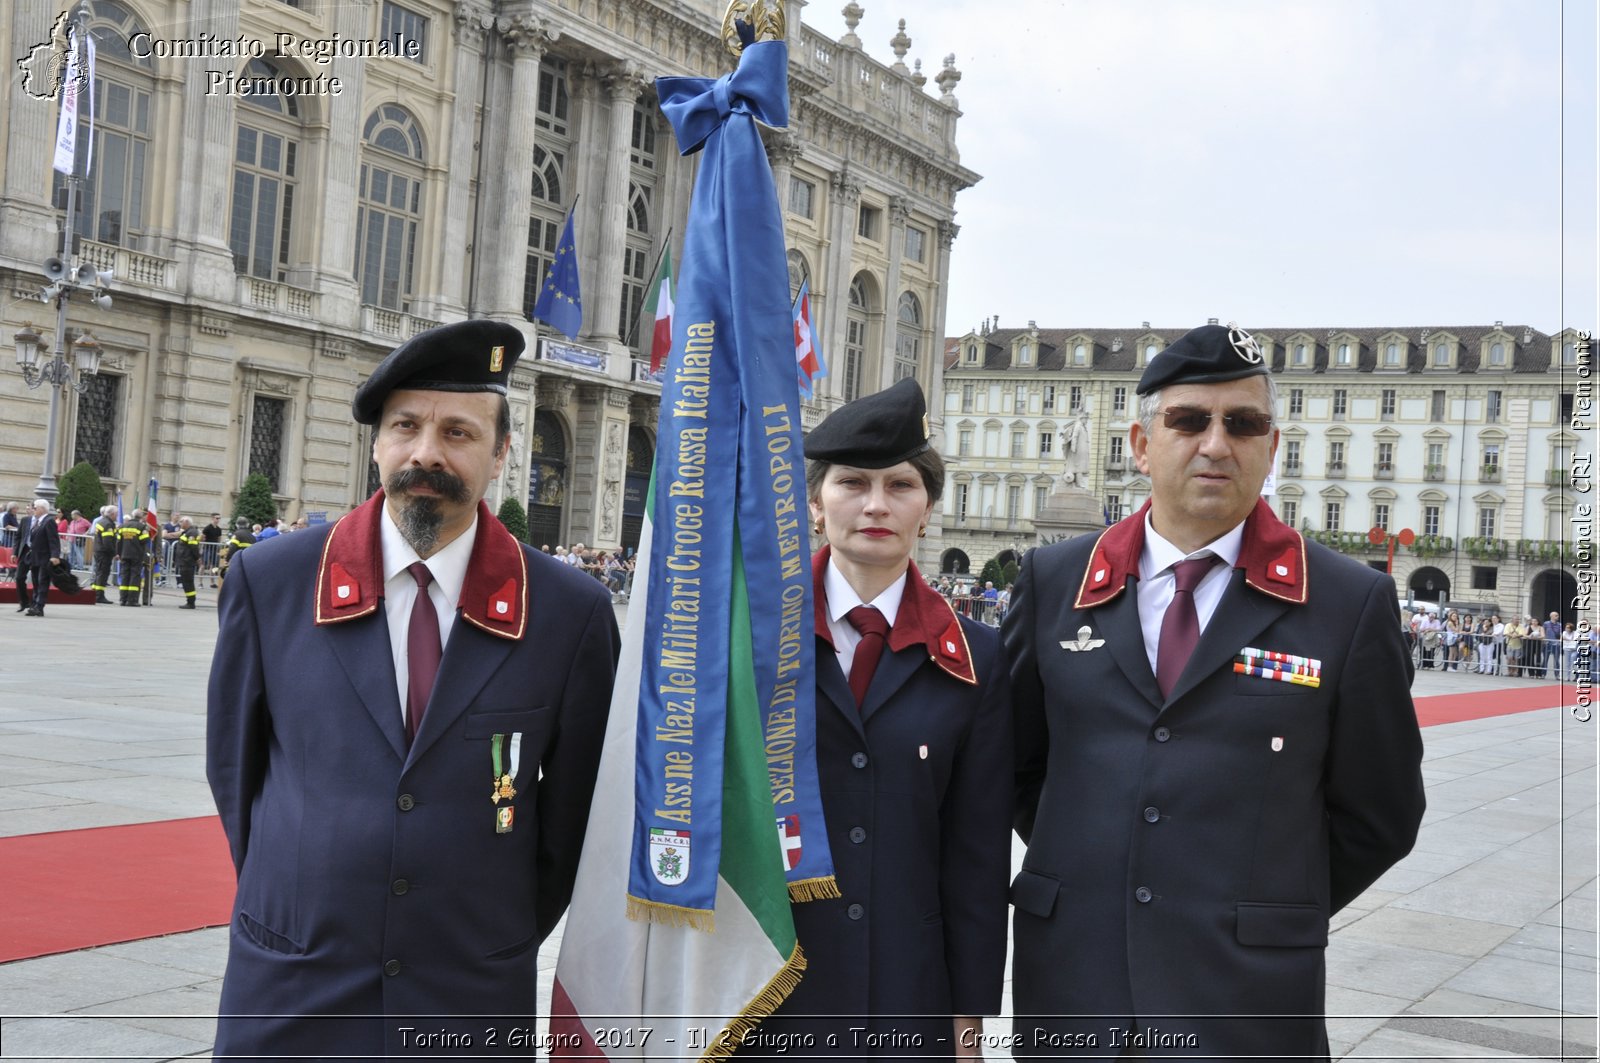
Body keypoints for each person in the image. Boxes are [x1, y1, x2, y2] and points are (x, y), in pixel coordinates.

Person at [1003, 323, 1425, 1059]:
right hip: (1077, 983)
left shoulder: (1347, 602)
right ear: (1139, 443)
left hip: (1247, 999)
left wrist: (1265, 900)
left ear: (1272, 444)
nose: (1216, 443)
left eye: (1242, 423)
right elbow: (1015, 768)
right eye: (1189, 420)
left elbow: (1381, 812)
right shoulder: (1053, 583)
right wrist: (1105, 862)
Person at [206, 319, 619, 1057]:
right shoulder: (271, 584)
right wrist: (309, 891)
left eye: (459, 432)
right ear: (376, 444)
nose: (427, 451)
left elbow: (571, 818)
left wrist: (493, 925)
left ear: (500, 455)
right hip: (296, 983)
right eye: (406, 425)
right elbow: (236, 774)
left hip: (465, 991)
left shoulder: (568, 612)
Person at [747, 377, 1012, 1056]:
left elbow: (977, 855)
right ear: (814, 502)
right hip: (764, 990)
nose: (875, 504)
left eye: (900, 485)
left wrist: (970, 1013)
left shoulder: (974, 656)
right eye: (852, 483)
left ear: (927, 509)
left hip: (908, 994)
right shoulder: (747, 641)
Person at [23, 499, 63, 616]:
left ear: (42, 509)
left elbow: (54, 540)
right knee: (35, 582)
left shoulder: (49, 521)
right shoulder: (38, 521)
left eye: (35, 508)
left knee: (42, 582)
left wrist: (55, 555)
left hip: (45, 558)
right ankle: (34, 604)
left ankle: (39, 606)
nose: (33, 510)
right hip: (35, 557)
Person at [116, 509, 151, 606]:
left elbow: (118, 542)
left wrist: (119, 553)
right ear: (140, 517)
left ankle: (123, 599)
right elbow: (145, 540)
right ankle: (132, 600)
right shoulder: (141, 527)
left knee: (124, 576)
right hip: (136, 555)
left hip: (124, 555)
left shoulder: (123, 526)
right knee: (135, 577)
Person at [90, 506, 118, 604]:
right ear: (112, 514)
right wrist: (114, 553)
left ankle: (94, 593)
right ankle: (99, 595)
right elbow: (107, 542)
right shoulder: (108, 524)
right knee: (102, 573)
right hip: (104, 553)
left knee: (99, 572)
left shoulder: (102, 522)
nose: (117, 516)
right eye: (116, 514)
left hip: (99, 551)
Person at [173, 516, 202, 608]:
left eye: (181, 522)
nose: (180, 523)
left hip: (187, 561)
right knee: (186, 582)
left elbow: (193, 547)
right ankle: (190, 601)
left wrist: (198, 559)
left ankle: (191, 602)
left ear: (187, 522)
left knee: (188, 582)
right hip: (184, 561)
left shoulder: (192, 532)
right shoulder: (187, 532)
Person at [201, 513, 224, 587]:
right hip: (207, 548)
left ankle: (212, 582)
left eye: (219, 518)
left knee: (214, 566)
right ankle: (200, 582)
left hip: (214, 549)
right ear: (212, 518)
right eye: (217, 518)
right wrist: (202, 547)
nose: (218, 520)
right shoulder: (207, 528)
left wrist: (218, 549)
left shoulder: (219, 529)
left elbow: (219, 539)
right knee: (203, 565)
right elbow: (202, 537)